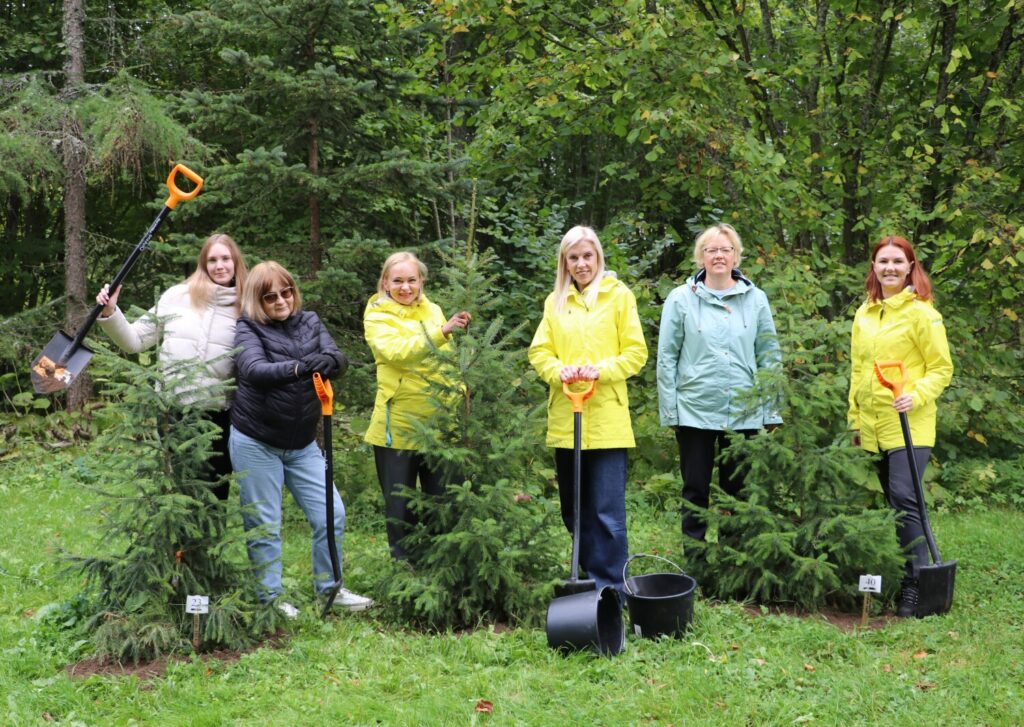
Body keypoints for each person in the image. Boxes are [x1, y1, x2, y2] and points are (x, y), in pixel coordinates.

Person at [230, 261, 373, 617]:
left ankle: (330, 590)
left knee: (331, 514)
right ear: (257, 300)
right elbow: (254, 370)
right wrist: (300, 368)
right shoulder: (248, 327)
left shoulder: (310, 321)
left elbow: (338, 358)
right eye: (270, 296)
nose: (281, 301)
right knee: (265, 524)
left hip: (303, 443)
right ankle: (270, 599)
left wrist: (330, 363)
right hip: (256, 441)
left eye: (286, 292)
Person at [528, 226, 648, 596]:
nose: (581, 264)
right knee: (574, 510)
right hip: (568, 418)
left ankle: (611, 591)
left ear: (598, 258)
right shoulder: (555, 301)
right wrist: (558, 371)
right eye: (574, 258)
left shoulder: (618, 296)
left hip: (607, 418)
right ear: (564, 263)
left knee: (606, 512)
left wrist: (600, 370)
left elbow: (636, 353)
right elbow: (540, 351)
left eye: (587, 256)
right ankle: (586, 581)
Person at [96, 233, 248, 501]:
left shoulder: (247, 305)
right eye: (212, 260)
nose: (219, 266)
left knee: (214, 493)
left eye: (226, 259)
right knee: (179, 491)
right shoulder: (177, 296)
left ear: (236, 262)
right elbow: (135, 341)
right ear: (203, 265)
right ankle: (180, 533)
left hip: (219, 415)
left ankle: (209, 531)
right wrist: (110, 312)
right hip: (174, 412)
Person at [656, 223, 783, 543]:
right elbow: (666, 357)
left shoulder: (756, 299)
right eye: (711, 250)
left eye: (726, 250)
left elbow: (769, 355)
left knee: (737, 492)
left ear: (736, 256)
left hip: (744, 410)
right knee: (695, 489)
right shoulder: (681, 299)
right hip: (694, 409)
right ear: (700, 257)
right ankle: (695, 559)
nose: (719, 256)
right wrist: (670, 411)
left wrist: (772, 409)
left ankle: (732, 560)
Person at [848, 235, 953, 617]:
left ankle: (916, 585)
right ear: (874, 267)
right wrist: (855, 419)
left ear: (910, 267)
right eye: (883, 261)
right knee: (894, 503)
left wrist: (917, 395)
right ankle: (902, 571)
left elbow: (941, 368)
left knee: (905, 499)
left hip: (910, 422)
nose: (889, 268)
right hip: (872, 423)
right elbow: (858, 370)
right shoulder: (865, 313)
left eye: (897, 261)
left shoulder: (922, 313)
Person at [363, 252, 471, 560]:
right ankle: (405, 570)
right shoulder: (377, 315)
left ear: (421, 280)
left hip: (440, 424)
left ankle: (442, 566)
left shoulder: (433, 309)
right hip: (398, 426)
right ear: (385, 282)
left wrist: (460, 392)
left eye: (412, 280)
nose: (406, 287)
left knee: (443, 501)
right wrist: (442, 332)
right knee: (401, 508)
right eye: (397, 281)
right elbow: (398, 352)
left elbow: (447, 361)